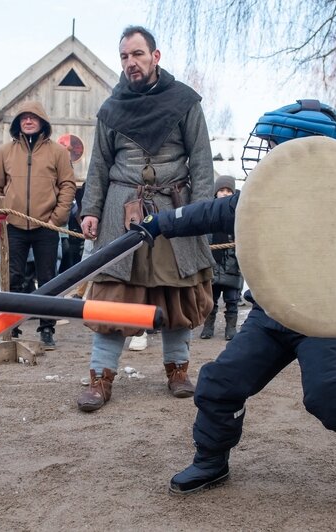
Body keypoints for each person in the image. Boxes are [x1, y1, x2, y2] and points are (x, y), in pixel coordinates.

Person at [138, 100, 336, 501]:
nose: (268, 155)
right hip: (273, 312)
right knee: (220, 383)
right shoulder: (267, 195)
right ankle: (212, 459)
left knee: (330, 394)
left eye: (275, 147)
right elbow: (217, 211)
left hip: (325, 313)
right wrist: (162, 222)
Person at [77, 26, 214, 411]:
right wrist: (90, 209)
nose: (130, 63)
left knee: (177, 293)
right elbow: (99, 165)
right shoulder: (111, 108)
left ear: (156, 56)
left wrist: (201, 211)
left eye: (137, 54)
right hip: (122, 209)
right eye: (124, 56)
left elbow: (201, 158)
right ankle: (100, 377)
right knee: (112, 296)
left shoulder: (184, 101)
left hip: (174, 208)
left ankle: (178, 370)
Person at [0, 101, 76, 349]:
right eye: (23, 118)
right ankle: (11, 326)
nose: (28, 121)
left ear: (42, 121)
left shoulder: (58, 152)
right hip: (13, 224)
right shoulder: (5, 151)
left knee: (48, 279)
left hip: (46, 225)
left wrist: (57, 217)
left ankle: (47, 329)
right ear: (17, 123)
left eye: (32, 117)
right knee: (13, 278)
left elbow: (68, 185)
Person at [199, 175, 243, 341]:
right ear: (216, 192)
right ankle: (208, 326)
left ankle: (230, 328)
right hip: (214, 264)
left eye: (228, 190)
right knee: (211, 300)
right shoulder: (209, 211)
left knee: (232, 300)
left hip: (233, 264)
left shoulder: (239, 211)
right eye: (221, 190)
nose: (224, 193)